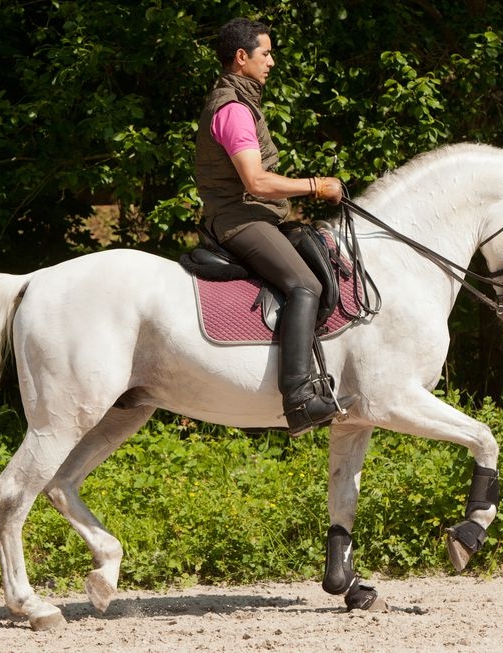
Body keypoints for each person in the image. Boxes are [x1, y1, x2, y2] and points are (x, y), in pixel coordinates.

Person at [195, 17, 349, 435]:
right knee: (305, 285)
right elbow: (256, 182)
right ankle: (298, 399)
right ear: (241, 57)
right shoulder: (233, 110)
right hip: (238, 220)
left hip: (251, 216)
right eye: (265, 53)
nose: (272, 62)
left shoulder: (241, 102)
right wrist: (315, 186)